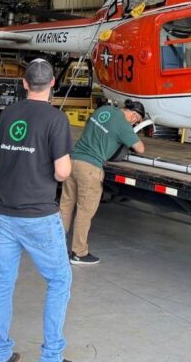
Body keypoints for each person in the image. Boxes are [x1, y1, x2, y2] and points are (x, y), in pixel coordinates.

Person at [0, 59, 75, 362]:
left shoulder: (9, 113)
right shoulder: (56, 119)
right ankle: (51, 356)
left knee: (3, 283)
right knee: (59, 281)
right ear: (52, 84)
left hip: (4, 214)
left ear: (24, 83)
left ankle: (0, 354)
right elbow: (62, 172)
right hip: (39, 216)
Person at [60, 99, 146, 265]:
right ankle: (79, 253)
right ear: (134, 116)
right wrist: (129, 133)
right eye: (136, 121)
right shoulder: (124, 125)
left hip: (73, 161)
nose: (134, 123)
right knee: (84, 212)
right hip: (90, 169)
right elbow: (140, 148)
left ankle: (57, 247)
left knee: (65, 206)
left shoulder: (103, 110)